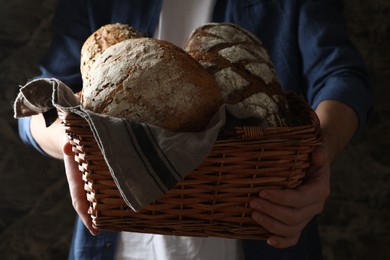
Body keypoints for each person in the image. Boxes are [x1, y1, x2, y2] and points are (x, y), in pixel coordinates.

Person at [17, 0, 372, 259]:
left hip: (262, 234)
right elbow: (39, 107)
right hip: (122, 245)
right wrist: (73, 144)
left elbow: (341, 77)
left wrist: (317, 155)